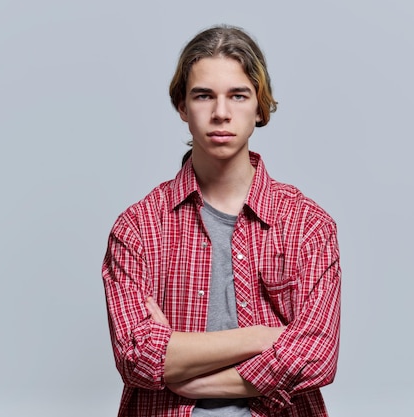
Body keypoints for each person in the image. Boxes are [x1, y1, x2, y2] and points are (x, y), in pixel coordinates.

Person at [102, 25, 341, 417]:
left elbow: (317, 354)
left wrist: (183, 370)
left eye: (238, 95)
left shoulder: (307, 225)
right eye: (203, 96)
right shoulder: (138, 228)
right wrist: (263, 338)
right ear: (182, 106)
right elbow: (137, 356)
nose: (221, 113)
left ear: (260, 106)